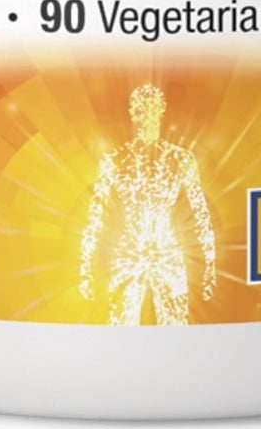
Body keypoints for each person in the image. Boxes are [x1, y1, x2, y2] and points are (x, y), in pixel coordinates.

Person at [80, 84, 216, 325]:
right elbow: (95, 217)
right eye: (140, 109)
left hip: (166, 254)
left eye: (151, 109)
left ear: (161, 111)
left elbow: (201, 215)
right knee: (121, 327)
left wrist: (210, 266)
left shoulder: (180, 159)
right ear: (132, 112)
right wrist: (85, 269)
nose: (145, 116)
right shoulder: (114, 160)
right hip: (128, 255)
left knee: (175, 327)